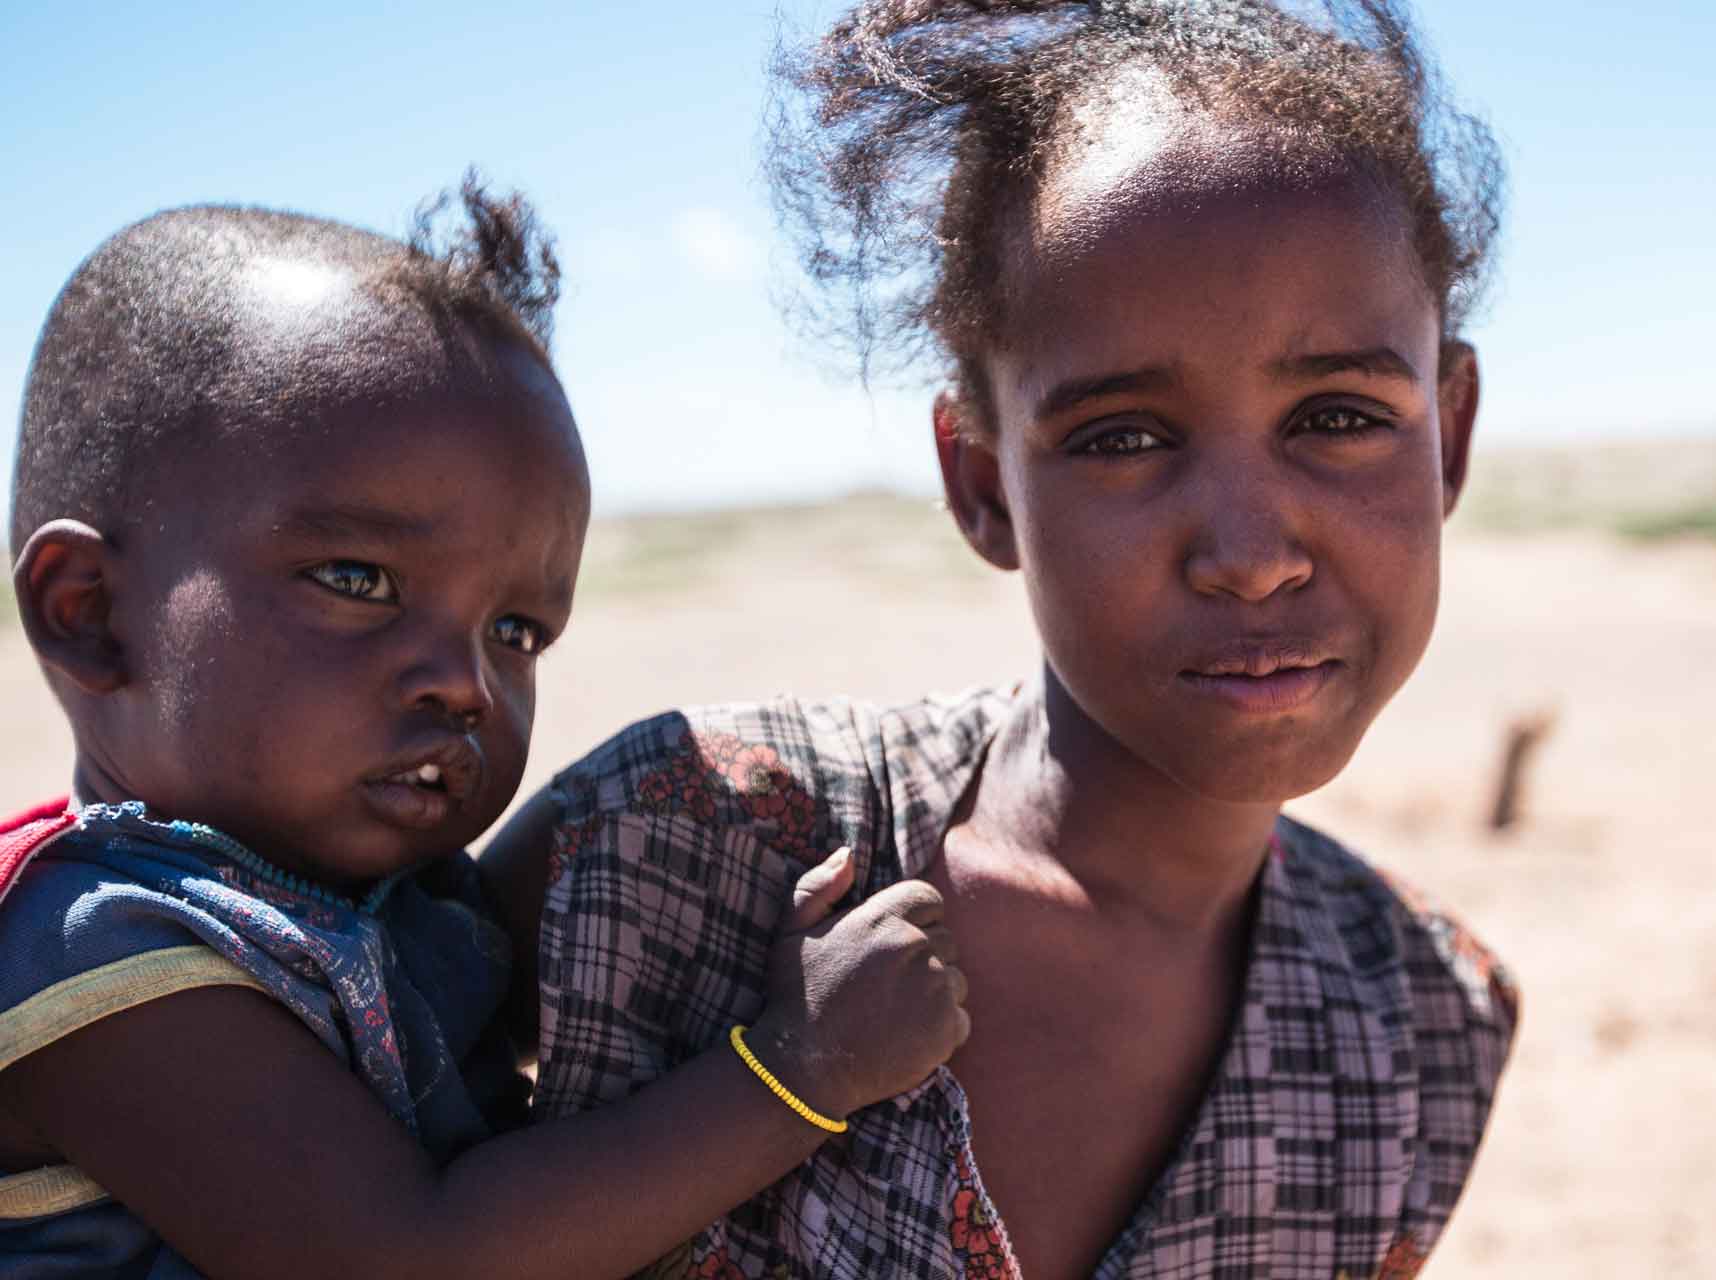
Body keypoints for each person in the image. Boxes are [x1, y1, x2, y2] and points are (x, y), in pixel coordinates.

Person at [496, 1, 1522, 1277]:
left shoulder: (1422, 1021)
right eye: (1123, 436)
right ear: (982, 481)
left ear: (1453, 437)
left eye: (1338, 415)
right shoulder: (683, 845)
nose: (1252, 551)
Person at [0, 182, 969, 1278]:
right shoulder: (89, 942)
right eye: (360, 579)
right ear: (87, 609)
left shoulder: (371, 899)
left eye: (517, 627)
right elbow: (415, 1254)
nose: (466, 684)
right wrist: (799, 1067)